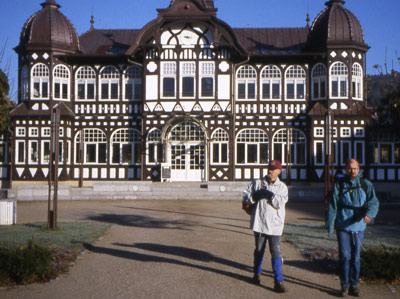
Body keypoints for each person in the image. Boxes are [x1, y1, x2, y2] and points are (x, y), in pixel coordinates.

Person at [326, 158, 379, 297]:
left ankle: (354, 285)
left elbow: (373, 201)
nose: (352, 171)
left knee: (356, 257)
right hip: (343, 224)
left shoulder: (365, 184)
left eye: (355, 168)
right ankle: (344, 285)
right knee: (344, 256)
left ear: (359, 168)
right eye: (350, 168)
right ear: (345, 169)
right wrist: (330, 225)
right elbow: (333, 205)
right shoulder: (340, 184)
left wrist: (370, 214)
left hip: (359, 225)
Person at [242, 160, 288, 293]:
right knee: (259, 249)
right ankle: (257, 274)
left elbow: (279, 203)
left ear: (279, 171)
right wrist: (254, 197)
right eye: (269, 168)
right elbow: (245, 196)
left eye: (273, 169)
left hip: (275, 225)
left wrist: (269, 195)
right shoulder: (257, 183)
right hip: (260, 223)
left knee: (276, 252)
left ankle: (278, 281)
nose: (270, 171)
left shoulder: (283, 187)